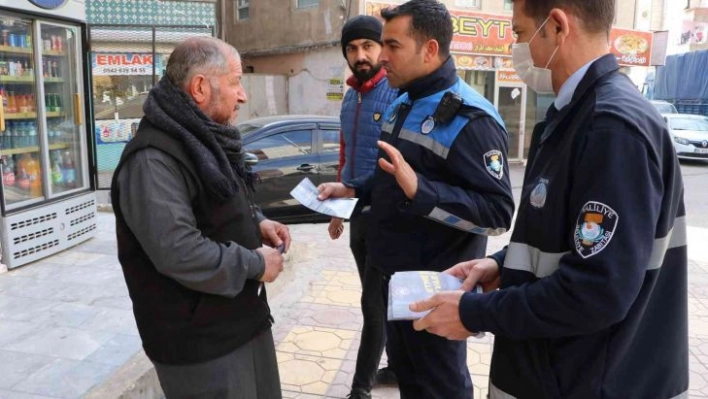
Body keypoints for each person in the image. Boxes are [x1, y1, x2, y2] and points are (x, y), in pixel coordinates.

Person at [411, 0, 689, 398]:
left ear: (557, 26)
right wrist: (502, 264)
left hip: (590, 380)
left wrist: (473, 313)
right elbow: (569, 240)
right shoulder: (575, 116)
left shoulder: (611, 128)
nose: (517, 49)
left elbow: (595, 291)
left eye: (521, 33)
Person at [318, 0, 515, 397]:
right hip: (395, 278)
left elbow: (497, 214)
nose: (382, 56)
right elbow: (392, 179)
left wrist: (420, 191)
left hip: (435, 288)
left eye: (392, 46)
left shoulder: (471, 120)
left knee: (440, 384)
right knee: (410, 381)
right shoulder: (402, 103)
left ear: (429, 50)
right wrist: (354, 189)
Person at [111, 37, 291, 399]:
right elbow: (177, 249)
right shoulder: (152, 159)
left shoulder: (202, 137)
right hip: (200, 347)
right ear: (199, 88)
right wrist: (254, 263)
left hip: (241, 323)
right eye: (236, 82)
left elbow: (219, 197)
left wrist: (255, 221)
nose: (242, 95)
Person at [327, 15, 399, 398]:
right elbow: (346, 155)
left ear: (381, 47)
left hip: (386, 215)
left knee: (372, 304)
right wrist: (341, 210)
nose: (361, 55)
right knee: (379, 301)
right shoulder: (350, 96)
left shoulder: (395, 93)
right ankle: (398, 368)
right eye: (352, 49)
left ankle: (360, 388)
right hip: (357, 214)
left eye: (367, 46)